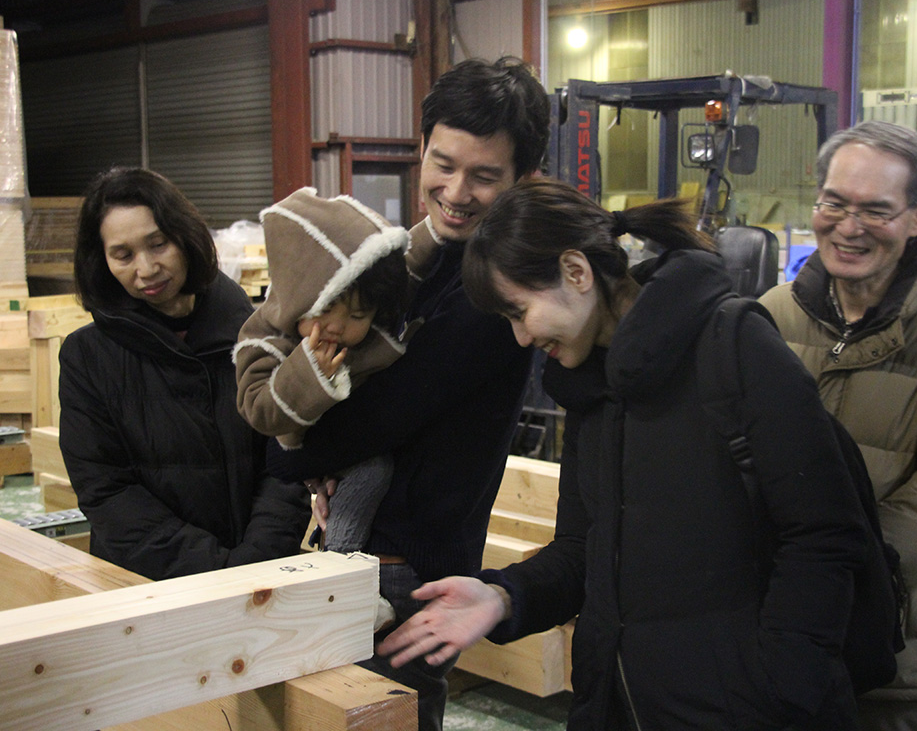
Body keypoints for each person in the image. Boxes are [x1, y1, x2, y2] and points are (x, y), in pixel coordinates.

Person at [378, 178, 870, 731]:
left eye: (520, 311)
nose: (519, 339)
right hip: (614, 705)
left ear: (576, 272)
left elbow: (824, 537)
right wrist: (502, 597)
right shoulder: (591, 390)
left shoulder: (734, 347)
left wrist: (782, 690)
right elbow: (580, 551)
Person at [264, 56, 551, 730]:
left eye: (484, 176)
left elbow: (384, 414)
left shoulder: (490, 294)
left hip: (409, 574)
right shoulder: (413, 258)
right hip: (366, 549)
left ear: (522, 180)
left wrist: (289, 455)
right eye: (443, 164)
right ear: (420, 147)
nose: (455, 191)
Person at [759, 120, 917, 731]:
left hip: (890, 657)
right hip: (769, 640)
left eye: (875, 210)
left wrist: (833, 578)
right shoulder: (770, 315)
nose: (848, 225)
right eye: (834, 202)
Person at [58, 166, 311, 581]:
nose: (146, 268)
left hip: (262, 579)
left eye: (158, 244)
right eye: (123, 255)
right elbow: (106, 490)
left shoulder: (256, 334)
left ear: (185, 237)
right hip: (148, 589)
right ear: (101, 261)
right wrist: (215, 570)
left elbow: (286, 457)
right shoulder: (87, 358)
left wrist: (254, 563)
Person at [234, 186, 438, 553]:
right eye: (324, 308)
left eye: (358, 315)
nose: (337, 326)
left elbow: (408, 260)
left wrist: (438, 229)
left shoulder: (369, 320)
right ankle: (342, 561)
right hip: (313, 445)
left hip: (351, 440)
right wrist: (309, 374)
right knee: (372, 472)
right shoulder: (265, 336)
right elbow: (258, 408)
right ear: (299, 294)